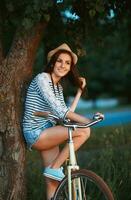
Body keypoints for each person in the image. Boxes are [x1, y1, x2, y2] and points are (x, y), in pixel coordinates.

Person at [22, 43, 101, 200]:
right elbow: (61, 112)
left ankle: (54, 169)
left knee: (53, 183)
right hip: (35, 132)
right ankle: (55, 167)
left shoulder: (57, 88)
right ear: (52, 62)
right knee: (84, 130)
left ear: (70, 67)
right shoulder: (42, 79)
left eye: (67, 63)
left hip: (48, 131)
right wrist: (88, 120)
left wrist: (79, 92)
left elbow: (64, 115)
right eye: (59, 61)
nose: (63, 65)